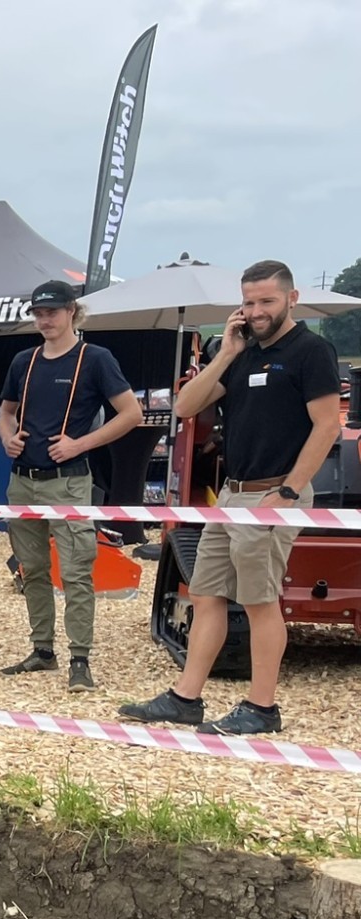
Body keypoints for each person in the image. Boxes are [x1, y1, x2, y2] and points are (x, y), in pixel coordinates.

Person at [119, 260, 342, 736]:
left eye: (266, 301)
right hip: (232, 493)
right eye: (249, 302)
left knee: (260, 602)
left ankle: (262, 708)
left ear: (291, 299)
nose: (257, 310)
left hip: (273, 492)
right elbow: (183, 406)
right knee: (206, 592)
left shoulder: (311, 351)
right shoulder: (238, 353)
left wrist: (287, 492)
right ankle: (186, 697)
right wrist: (223, 353)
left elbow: (328, 426)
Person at [0, 280, 144, 691]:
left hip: (69, 482)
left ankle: (80, 657)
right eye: (39, 313)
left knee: (77, 571)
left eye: (53, 312)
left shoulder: (95, 358)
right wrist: (7, 438)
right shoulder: (23, 361)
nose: (45, 319)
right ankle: (42, 649)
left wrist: (81, 443)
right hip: (23, 480)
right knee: (33, 569)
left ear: (72, 312)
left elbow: (130, 414)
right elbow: (4, 414)